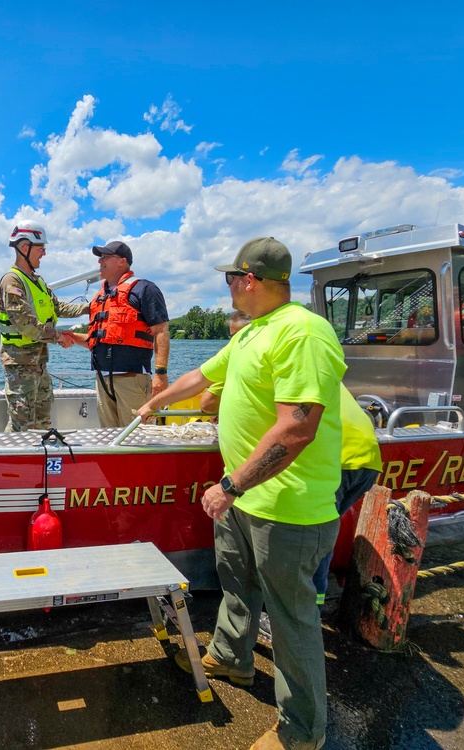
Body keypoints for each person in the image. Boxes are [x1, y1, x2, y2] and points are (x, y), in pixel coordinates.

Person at [138, 237, 344, 750]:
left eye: (230, 277)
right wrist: (156, 402)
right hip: (247, 501)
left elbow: (297, 428)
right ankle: (232, 659)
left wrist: (230, 485)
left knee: (293, 622)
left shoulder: (302, 333)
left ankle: (301, 733)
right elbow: (201, 376)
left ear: (248, 279)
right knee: (237, 585)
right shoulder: (253, 333)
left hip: (287, 507)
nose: (227, 285)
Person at [201, 326, 381, 607]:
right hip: (367, 455)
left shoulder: (251, 360)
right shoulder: (307, 363)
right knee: (318, 541)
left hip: (335, 457)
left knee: (304, 548)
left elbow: (206, 403)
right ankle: (312, 606)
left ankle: (304, 614)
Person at [59, 240, 170, 428]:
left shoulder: (144, 289)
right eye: (100, 257)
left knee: (138, 437)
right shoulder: (100, 298)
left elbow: (160, 332)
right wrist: (74, 338)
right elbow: (100, 340)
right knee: (109, 437)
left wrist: (160, 373)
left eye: (105, 257)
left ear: (122, 262)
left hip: (132, 380)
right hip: (102, 380)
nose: (100, 261)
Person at [0, 220, 89, 431]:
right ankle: (13, 462)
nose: (44, 253)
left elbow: (58, 307)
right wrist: (58, 337)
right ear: (25, 248)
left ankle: (39, 461)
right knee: (22, 425)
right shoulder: (12, 281)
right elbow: (27, 325)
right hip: (20, 366)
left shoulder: (37, 281)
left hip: (38, 365)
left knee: (42, 422)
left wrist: (89, 308)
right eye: (41, 248)